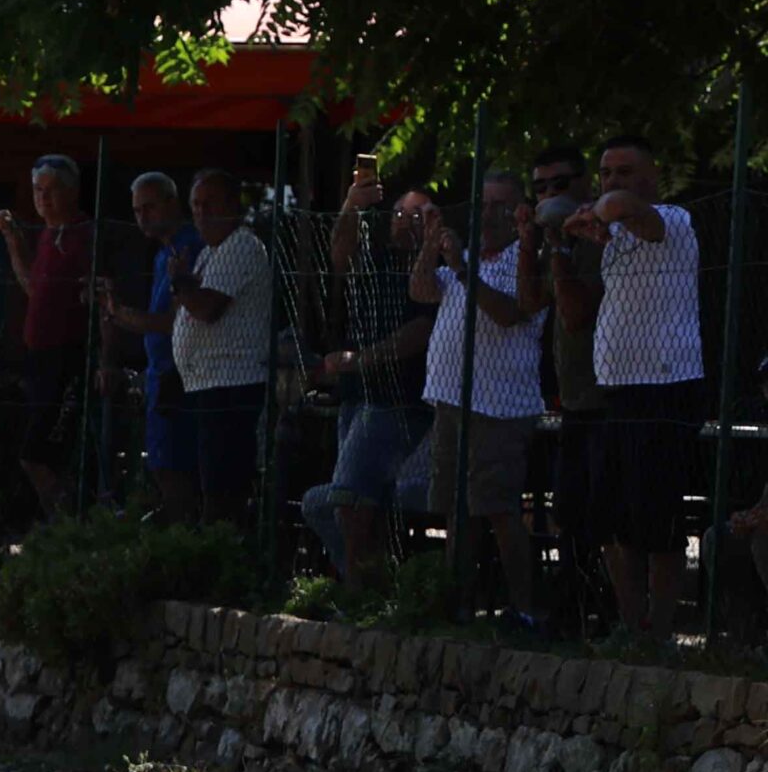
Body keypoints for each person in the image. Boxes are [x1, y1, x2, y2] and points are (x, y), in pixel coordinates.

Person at [562, 134, 705, 639]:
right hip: (615, 388)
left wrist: (600, 210)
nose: (613, 182)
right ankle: (632, 626)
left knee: (658, 521)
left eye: (624, 171)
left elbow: (622, 207)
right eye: (605, 173)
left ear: (652, 176)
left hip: (664, 386)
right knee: (612, 522)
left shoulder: (675, 220)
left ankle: (661, 631)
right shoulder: (613, 237)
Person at [409, 175, 548, 627]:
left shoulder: (526, 260)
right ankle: (458, 606)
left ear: (520, 212)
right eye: (483, 204)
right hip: (451, 399)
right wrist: (431, 246)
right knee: (457, 511)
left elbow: (509, 314)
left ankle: (524, 610)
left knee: (500, 510)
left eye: (501, 206)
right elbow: (422, 291)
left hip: (499, 405)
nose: (489, 214)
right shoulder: (464, 259)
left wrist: (464, 271)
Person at [304, 173, 437, 584]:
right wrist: (351, 205)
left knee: (344, 501)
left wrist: (362, 360)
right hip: (356, 400)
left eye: (418, 214)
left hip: (400, 403)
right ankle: (371, 586)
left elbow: (420, 332)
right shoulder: (377, 262)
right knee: (349, 503)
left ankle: (362, 593)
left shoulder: (440, 272)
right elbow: (339, 255)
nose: (405, 221)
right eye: (399, 213)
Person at [514, 149, 605, 631]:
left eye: (560, 185)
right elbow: (530, 303)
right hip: (572, 400)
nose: (550, 195)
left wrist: (561, 248)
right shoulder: (557, 241)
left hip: (611, 398)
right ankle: (571, 612)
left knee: (601, 514)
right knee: (568, 508)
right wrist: (533, 243)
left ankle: (605, 616)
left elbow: (573, 313)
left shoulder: (597, 236)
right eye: (541, 188)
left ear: (584, 184)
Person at [0, 154, 94, 517]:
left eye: (51, 190)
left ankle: (69, 525)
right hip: (38, 359)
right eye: (37, 190)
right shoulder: (50, 235)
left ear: (72, 191)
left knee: (38, 455)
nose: (43, 198)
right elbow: (35, 288)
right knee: (32, 452)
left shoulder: (83, 234)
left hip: (67, 359)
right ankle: (59, 525)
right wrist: (13, 239)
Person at [168, 169, 274, 524]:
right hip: (208, 385)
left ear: (233, 206)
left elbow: (205, 307)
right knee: (208, 483)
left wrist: (180, 283)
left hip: (232, 387)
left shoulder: (240, 245)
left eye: (210, 204)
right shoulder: (209, 254)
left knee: (223, 490)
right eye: (195, 205)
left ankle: (225, 557)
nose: (201, 213)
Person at [98, 172, 203, 522]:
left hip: (182, 377)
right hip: (159, 374)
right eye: (137, 210)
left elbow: (177, 322)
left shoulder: (191, 247)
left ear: (173, 204)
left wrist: (120, 314)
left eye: (150, 207)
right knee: (160, 466)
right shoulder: (162, 255)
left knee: (176, 472)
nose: (142, 216)